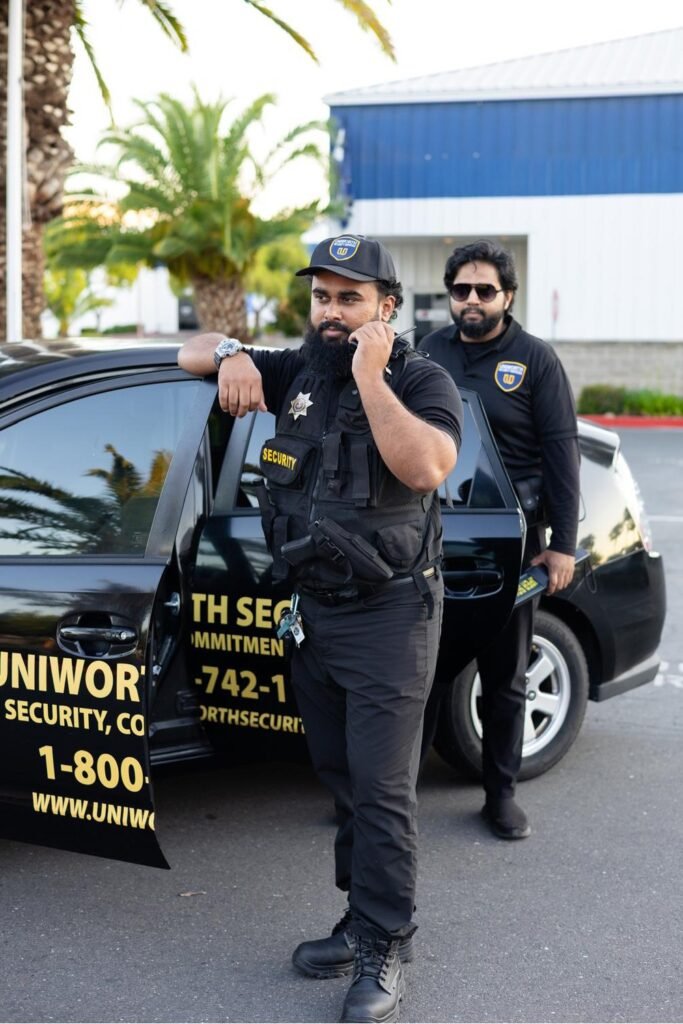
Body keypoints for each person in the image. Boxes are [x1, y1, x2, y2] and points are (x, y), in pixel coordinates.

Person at [178, 235, 462, 1024]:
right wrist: (233, 352)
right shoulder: (298, 369)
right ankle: (357, 916)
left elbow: (427, 466)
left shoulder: (419, 378)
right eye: (321, 298)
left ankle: (384, 942)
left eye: (349, 299)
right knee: (339, 778)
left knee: (380, 791)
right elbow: (185, 352)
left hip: (389, 617)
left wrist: (371, 378)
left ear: (386, 308)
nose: (331, 313)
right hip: (315, 613)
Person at [417, 239, 580, 841]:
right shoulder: (427, 350)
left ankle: (500, 796)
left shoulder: (535, 361)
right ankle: (390, 797)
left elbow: (562, 455)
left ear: (508, 296)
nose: (472, 300)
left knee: (505, 676)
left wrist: (562, 544)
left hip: (505, 541)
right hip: (428, 534)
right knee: (418, 673)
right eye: (461, 289)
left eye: (485, 290)